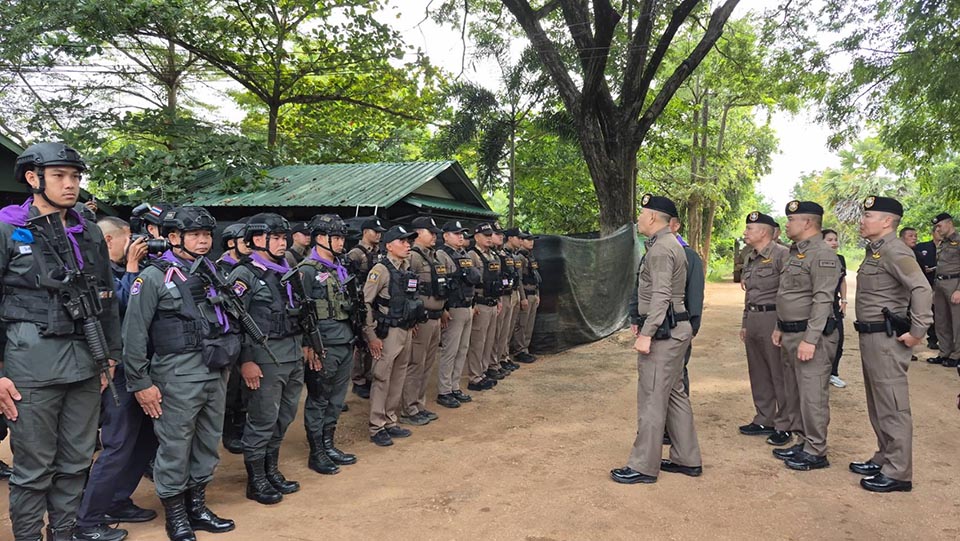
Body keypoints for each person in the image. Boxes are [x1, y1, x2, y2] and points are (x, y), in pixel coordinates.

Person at [0, 143, 123, 541]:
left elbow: (107, 298)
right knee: (34, 468)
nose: (71, 185)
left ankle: (65, 533)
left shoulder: (87, 231)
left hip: (86, 362)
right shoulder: (7, 228)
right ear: (33, 179)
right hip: (30, 365)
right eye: (60, 176)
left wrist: (110, 358)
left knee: (75, 462)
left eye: (75, 177)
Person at [123, 206, 236, 541]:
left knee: (207, 444)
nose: (203, 241)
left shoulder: (211, 272)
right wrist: (141, 383)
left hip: (214, 371)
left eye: (206, 235)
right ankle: (176, 516)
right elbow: (133, 335)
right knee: (174, 447)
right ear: (173, 238)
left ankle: (196, 507)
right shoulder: (153, 277)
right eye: (194, 235)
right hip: (175, 377)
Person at [73, 218, 155, 541]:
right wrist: (133, 268)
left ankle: (117, 500)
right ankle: (87, 520)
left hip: (138, 368)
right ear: (108, 241)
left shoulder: (125, 269)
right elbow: (120, 308)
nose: (133, 243)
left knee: (147, 438)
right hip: (114, 369)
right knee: (118, 443)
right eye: (127, 239)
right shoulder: (95, 272)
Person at [611, 194, 701, 485]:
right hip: (675, 328)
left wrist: (646, 334)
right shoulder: (667, 245)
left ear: (652, 217)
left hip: (665, 332)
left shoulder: (662, 249)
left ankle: (643, 466)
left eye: (641, 214)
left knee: (652, 397)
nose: (638, 219)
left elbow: (662, 296)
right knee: (675, 395)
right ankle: (687, 458)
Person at [850, 196, 932, 493]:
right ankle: (884, 457)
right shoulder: (876, 251)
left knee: (893, 406)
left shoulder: (896, 251)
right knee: (879, 403)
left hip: (887, 339)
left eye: (868, 215)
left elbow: (922, 288)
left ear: (887, 222)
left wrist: (918, 331)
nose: (862, 220)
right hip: (871, 337)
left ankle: (899, 472)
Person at [228, 213, 304, 504]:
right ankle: (256, 479)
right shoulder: (244, 274)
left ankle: (271, 469)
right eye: (276, 238)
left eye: (284, 238)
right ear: (257, 240)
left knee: (284, 417)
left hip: (292, 354)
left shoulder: (287, 268)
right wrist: (246, 360)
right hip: (264, 358)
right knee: (262, 420)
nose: (283, 243)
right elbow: (235, 323)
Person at [770, 200, 841, 472]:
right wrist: (779, 325)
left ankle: (816, 449)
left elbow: (822, 300)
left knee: (813, 394)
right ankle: (803, 440)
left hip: (810, 336)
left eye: (791, 220)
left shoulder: (822, 255)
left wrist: (810, 339)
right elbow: (786, 294)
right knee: (796, 391)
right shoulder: (794, 253)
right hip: (789, 332)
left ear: (808, 223)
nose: (787, 224)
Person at [296, 214, 359, 475]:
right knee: (319, 398)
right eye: (336, 237)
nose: (341, 242)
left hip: (345, 339)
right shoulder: (308, 270)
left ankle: (328, 443)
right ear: (321, 238)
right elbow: (300, 311)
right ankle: (317, 452)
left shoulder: (340, 267)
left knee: (336, 398)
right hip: (323, 344)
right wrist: (308, 346)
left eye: (342, 237)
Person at [736, 212, 793, 446]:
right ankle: (764, 418)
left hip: (773, 318)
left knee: (779, 373)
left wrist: (781, 324)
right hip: (754, 318)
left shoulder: (782, 255)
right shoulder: (751, 257)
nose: (745, 233)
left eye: (749, 229)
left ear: (763, 232)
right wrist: (745, 321)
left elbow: (788, 293)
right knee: (758, 371)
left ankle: (785, 424)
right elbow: (751, 292)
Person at [364, 225, 422, 446]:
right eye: (402, 241)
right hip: (387, 333)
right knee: (382, 377)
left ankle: (390, 420)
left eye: (409, 242)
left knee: (398, 377)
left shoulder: (406, 267)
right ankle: (376, 425)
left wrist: (412, 322)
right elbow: (366, 303)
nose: (407, 245)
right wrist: (371, 335)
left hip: (405, 330)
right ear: (389, 245)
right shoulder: (381, 270)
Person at [401, 217, 447, 426]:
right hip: (422, 319)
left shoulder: (433, 256)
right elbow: (406, 291)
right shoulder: (413, 257)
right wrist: (413, 319)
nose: (435, 236)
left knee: (427, 364)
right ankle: (408, 408)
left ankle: (419, 404)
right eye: (432, 232)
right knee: (415, 364)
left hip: (436, 317)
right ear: (419, 233)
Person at [435, 220, 480, 408]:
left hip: (467, 306)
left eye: (462, 233)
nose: (460, 236)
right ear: (446, 235)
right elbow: (441, 285)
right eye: (456, 233)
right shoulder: (441, 254)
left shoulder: (463, 254)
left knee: (462, 349)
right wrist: (443, 309)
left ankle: (454, 386)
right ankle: (444, 390)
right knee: (450, 351)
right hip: (453, 307)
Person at [216, 221, 251, 454]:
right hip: (228, 335)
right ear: (231, 243)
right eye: (244, 241)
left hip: (248, 336)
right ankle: (229, 429)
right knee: (230, 387)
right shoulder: (219, 268)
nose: (249, 245)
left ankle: (241, 423)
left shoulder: (252, 267)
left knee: (243, 387)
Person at [347, 216, 387, 399]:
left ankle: (368, 375)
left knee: (373, 337)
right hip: (360, 301)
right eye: (375, 231)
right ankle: (358, 380)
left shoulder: (380, 252)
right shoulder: (355, 254)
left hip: (375, 302)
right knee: (361, 342)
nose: (378, 235)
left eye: (380, 232)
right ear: (365, 232)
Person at [465, 223, 503, 392]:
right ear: (476, 237)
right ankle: (474, 376)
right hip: (480, 303)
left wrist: (499, 299)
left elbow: (497, 279)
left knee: (489, 340)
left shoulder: (493, 255)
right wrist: (473, 303)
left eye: (490, 235)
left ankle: (484, 370)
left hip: (493, 302)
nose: (489, 238)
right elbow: (469, 282)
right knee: (478, 342)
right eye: (485, 235)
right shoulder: (472, 255)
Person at [931, 213, 960, 367]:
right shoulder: (943, 243)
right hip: (940, 284)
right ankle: (944, 353)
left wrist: (959, 290)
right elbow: (941, 266)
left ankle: (957, 355)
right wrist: (935, 289)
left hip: (954, 284)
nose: (938, 229)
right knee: (941, 321)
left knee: (957, 322)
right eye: (936, 227)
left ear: (949, 223)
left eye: (940, 225)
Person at [822, 229, 848, 388]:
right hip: (819, 304)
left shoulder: (840, 259)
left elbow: (842, 281)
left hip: (834, 304)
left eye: (835, 239)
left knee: (838, 339)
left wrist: (844, 300)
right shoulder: (815, 259)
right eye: (829, 240)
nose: (834, 243)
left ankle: (833, 373)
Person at [511, 229, 541, 364]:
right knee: (521, 324)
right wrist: (523, 297)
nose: (531, 242)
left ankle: (525, 348)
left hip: (533, 293)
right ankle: (519, 350)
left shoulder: (530, 256)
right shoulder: (519, 257)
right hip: (526, 295)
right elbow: (519, 280)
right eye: (528, 239)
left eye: (532, 239)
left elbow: (536, 278)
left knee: (529, 325)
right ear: (521, 241)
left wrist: (537, 294)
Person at [912, 227, 940, 351]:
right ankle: (930, 338)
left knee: (940, 313)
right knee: (925, 311)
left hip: (942, 284)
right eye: (937, 231)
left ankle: (940, 340)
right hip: (925, 284)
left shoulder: (949, 247)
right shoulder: (922, 247)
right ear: (932, 233)